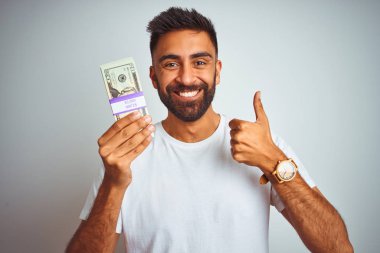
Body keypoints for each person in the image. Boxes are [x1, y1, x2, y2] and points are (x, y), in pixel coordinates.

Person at [66, 7, 353, 253]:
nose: (187, 78)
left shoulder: (263, 145)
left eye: (199, 62)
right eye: (171, 64)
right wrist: (114, 184)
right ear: (154, 76)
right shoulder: (124, 157)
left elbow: (338, 248)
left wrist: (273, 161)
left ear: (217, 71)